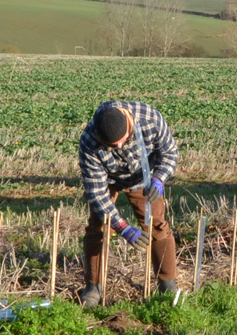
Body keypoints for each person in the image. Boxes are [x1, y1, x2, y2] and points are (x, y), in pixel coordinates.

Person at [77, 100, 179, 306]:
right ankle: (93, 286)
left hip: (144, 178)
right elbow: (97, 194)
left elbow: (169, 153)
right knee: (98, 227)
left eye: (122, 141)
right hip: (108, 180)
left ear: (130, 124)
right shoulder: (89, 142)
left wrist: (160, 178)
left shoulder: (150, 119)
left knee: (157, 224)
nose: (120, 147)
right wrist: (122, 227)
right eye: (112, 147)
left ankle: (167, 282)